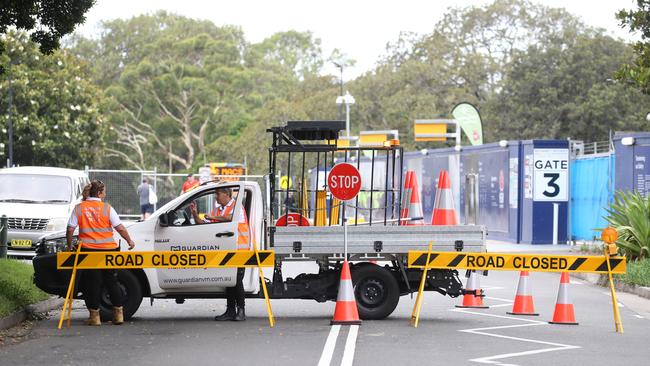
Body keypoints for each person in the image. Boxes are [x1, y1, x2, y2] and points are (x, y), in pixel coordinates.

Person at [66, 180, 136, 326]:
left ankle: (95, 317)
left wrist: (69, 245)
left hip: (89, 251)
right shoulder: (107, 208)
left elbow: (70, 229)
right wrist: (129, 241)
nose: (105, 194)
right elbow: (120, 228)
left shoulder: (79, 208)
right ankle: (118, 315)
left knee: (92, 283)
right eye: (104, 192)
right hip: (109, 250)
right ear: (99, 193)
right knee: (111, 280)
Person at [189, 187, 250, 321]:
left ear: (226, 194)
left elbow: (230, 218)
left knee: (237, 281)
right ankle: (230, 311)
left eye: (218, 194)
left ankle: (241, 311)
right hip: (225, 249)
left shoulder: (237, 206)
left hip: (239, 249)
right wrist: (195, 214)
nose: (216, 197)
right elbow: (203, 223)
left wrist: (212, 217)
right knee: (229, 280)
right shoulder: (217, 210)